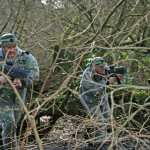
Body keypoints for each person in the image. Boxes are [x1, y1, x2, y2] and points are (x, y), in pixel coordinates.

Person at [0, 33, 39, 150]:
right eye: (9, 47)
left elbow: (35, 76)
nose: (13, 49)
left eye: (14, 46)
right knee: (9, 123)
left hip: (18, 99)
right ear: (2, 47)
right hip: (1, 99)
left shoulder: (26, 57)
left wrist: (23, 81)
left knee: (11, 127)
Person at [79, 57, 124, 144]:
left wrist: (118, 77)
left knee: (108, 118)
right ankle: (101, 143)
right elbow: (95, 91)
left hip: (102, 97)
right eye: (100, 67)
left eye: (103, 65)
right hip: (89, 100)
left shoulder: (105, 68)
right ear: (94, 67)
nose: (103, 68)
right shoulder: (87, 75)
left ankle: (92, 134)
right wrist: (107, 81)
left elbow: (113, 74)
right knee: (100, 121)